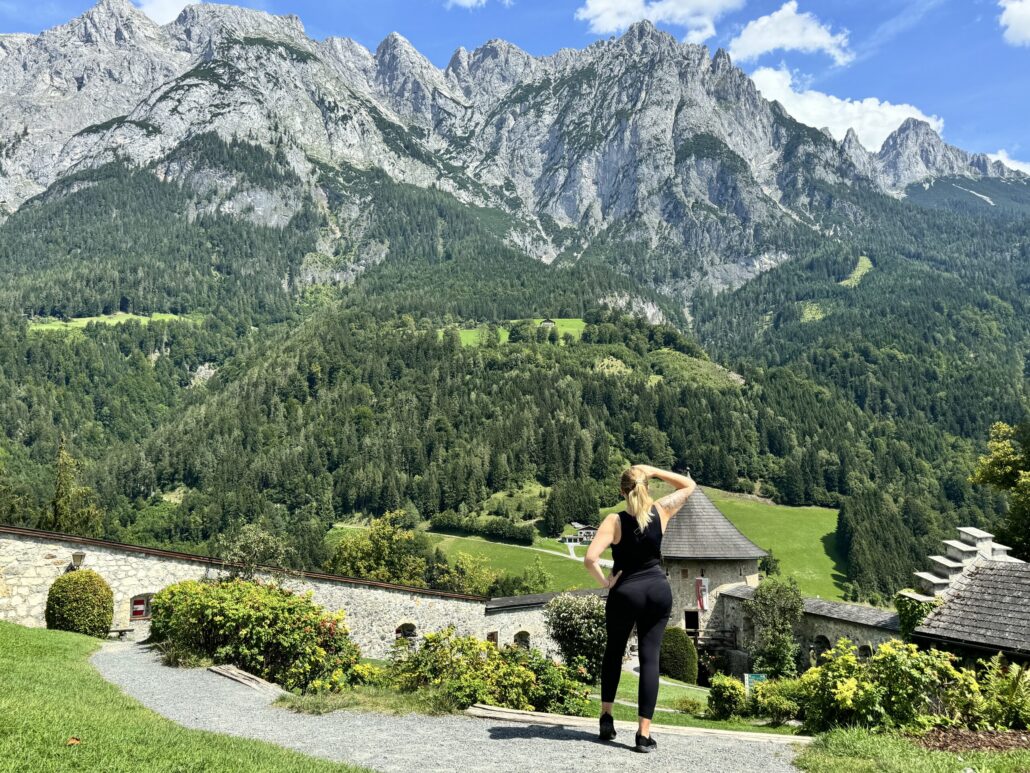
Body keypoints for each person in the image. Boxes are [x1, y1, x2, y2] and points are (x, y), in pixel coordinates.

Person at [584, 464, 696, 753]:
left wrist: (606, 582)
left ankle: (607, 718)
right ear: (647, 487)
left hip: (625, 592)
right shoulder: (661, 511)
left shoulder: (615, 521)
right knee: (650, 660)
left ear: (622, 491)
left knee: (613, 651)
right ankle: (643, 735)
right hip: (658, 591)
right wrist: (655, 472)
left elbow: (590, 558)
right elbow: (688, 486)